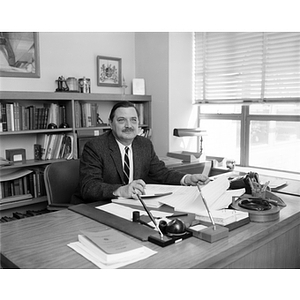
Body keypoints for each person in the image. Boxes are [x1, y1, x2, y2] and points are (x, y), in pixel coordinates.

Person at [71, 101, 209, 204]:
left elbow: (162, 173)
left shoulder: (144, 144)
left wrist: (187, 179)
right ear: (110, 123)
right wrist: (121, 190)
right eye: (121, 120)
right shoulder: (95, 147)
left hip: (129, 206)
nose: (128, 125)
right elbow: (89, 187)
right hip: (96, 207)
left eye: (133, 120)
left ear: (138, 123)